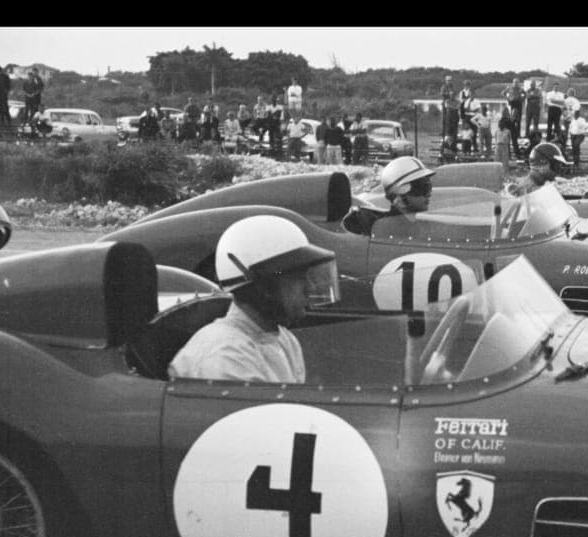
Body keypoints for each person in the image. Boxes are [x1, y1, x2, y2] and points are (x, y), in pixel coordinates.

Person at [169, 216, 339, 384]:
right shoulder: (226, 357)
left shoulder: (284, 340)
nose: (310, 288)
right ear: (264, 286)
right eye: (298, 279)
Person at [343, 156, 435, 236]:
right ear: (399, 196)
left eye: (428, 187)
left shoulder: (418, 226)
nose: (428, 194)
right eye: (421, 188)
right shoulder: (388, 229)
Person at [495, 105, 515, 173]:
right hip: (500, 144)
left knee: (505, 159)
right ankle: (498, 170)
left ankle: (505, 171)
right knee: (498, 158)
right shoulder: (501, 123)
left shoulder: (508, 122)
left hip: (505, 142)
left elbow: (510, 134)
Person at [440, 75, 458, 140]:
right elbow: (442, 93)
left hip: (452, 104)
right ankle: (443, 133)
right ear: (446, 81)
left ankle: (451, 134)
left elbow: (455, 93)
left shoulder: (453, 87)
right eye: (448, 80)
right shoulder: (443, 87)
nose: (449, 81)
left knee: (452, 120)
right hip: (445, 103)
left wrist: (452, 94)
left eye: (450, 80)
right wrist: (449, 94)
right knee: (444, 119)